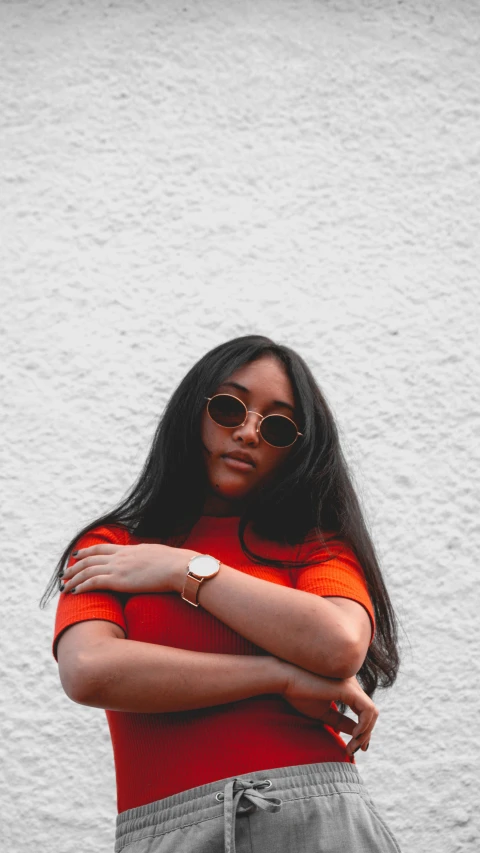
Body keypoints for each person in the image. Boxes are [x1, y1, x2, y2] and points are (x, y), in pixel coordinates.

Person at [42, 334, 401, 853]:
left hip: (314, 814)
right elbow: (89, 670)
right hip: (167, 829)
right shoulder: (111, 547)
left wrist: (182, 569)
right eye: (230, 407)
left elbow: (339, 646)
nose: (249, 433)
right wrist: (278, 677)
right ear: (193, 412)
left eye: (276, 425)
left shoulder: (316, 547)